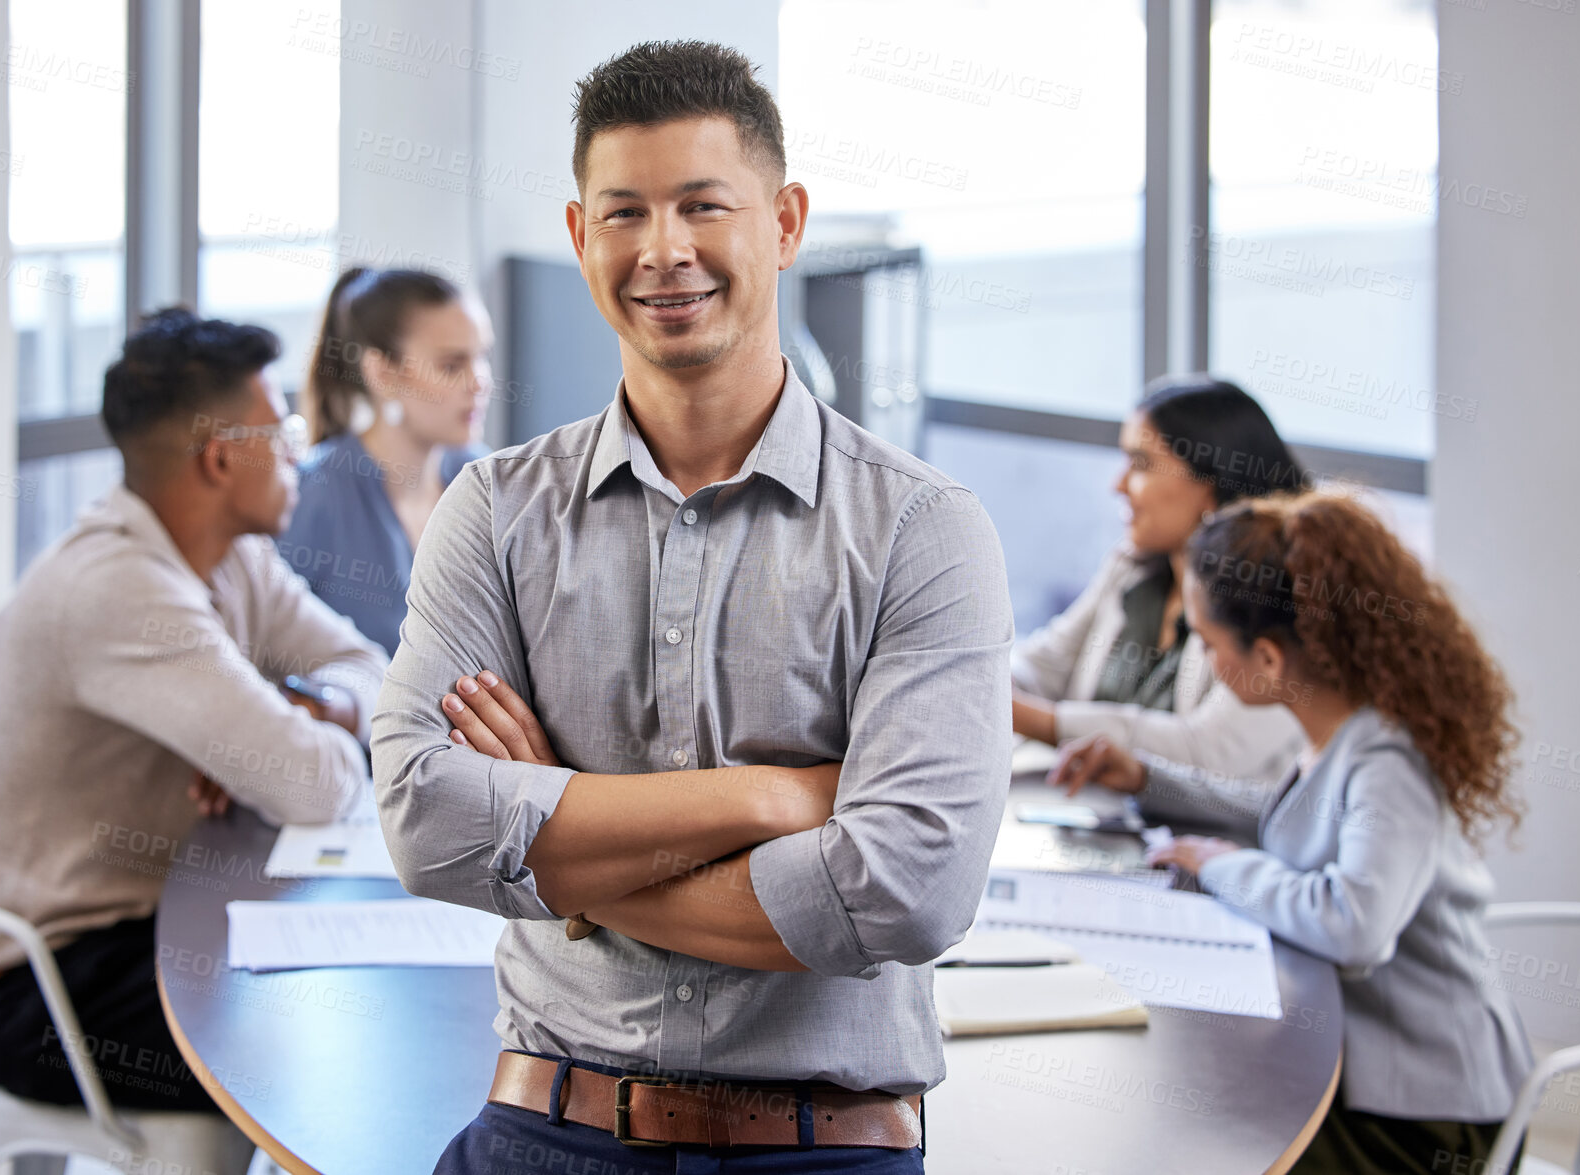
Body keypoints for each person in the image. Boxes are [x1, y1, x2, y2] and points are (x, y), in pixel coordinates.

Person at [369, 40, 1013, 1173]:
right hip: (542, 1127)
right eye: (623, 214)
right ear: (580, 238)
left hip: (819, 1150)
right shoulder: (495, 510)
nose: (662, 251)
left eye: (702, 206)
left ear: (785, 221)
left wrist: (562, 864)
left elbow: (905, 890)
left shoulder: (923, 527)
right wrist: (772, 797)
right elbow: (426, 820)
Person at [0, 308, 386, 1119]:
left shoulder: (236, 557)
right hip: (30, 987)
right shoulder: (121, 590)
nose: (297, 460)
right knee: (331, 1036)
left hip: (126, 924)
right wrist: (294, 734)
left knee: (335, 998)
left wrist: (310, 703)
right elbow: (318, 789)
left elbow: (377, 672)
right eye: (280, 435)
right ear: (218, 457)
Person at [1049, 489, 1532, 1175]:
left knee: (1198, 1140)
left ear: (1269, 659)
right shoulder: (1342, 732)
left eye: (1209, 642)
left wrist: (1220, 864)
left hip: (1433, 1114)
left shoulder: (1388, 760)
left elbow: (1354, 921)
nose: (1206, 658)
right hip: (1375, 1071)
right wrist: (1145, 777)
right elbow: (1286, 818)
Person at [1013, 376, 1309, 783]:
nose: (1118, 485)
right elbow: (1044, 666)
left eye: (1140, 464)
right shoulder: (1132, 566)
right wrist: (974, 682)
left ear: (1211, 485)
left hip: (1206, 841)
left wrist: (1034, 719)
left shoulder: (1285, 600)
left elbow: (1208, 751)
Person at [279, 266, 494, 655]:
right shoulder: (313, 494)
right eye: (451, 365)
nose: (480, 382)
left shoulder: (485, 480)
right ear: (382, 372)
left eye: (481, 357)